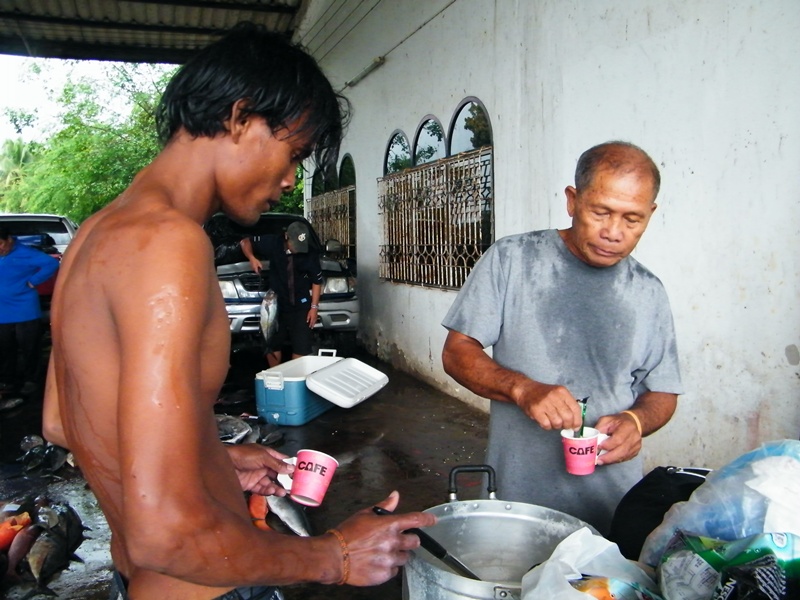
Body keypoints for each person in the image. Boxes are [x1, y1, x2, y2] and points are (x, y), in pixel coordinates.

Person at [42, 23, 434, 600]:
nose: (290, 177)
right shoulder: (167, 243)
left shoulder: (97, 234)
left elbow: (63, 420)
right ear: (239, 117)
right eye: (293, 152)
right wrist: (335, 554)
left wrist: (209, 458)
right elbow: (165, 535)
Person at [441, 141, 683, 536]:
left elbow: (663, 392)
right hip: (518, 501)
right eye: (601, 212)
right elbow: (457, 353)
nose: (614, 233)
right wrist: (522, 388)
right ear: (573, 201)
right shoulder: (513, 260)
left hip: (615, 508)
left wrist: (635, 421)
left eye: (632, 220)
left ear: (650, 215)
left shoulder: (648, 291)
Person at [240, 221, 322, 367]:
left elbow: (317, 281)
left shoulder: (310, 253)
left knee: (302, 345)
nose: (297, 250)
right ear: (286, 237)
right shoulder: (273, 242)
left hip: (301, 305)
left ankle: (295, 379)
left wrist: (314, 307)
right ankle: (275, 375)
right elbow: (245, 242)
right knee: (273, 343)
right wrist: (252, 258)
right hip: (276, 304)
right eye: (294, 245)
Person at [0, 225, 59, 398]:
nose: (0, 249)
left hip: (25, 310)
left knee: (29, 347)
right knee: (5, 348)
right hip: (2, 311)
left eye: (1, 244)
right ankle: (7, 381)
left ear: (10, 239)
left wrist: (33, 281)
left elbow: (51, 263)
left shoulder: (26, 253)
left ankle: (31, 380)